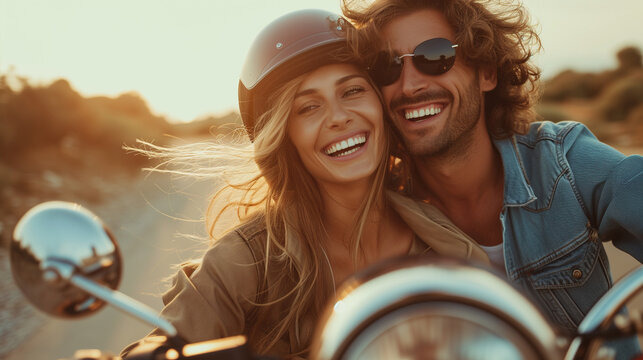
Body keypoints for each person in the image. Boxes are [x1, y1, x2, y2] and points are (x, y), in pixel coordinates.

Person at [122, 9, 488, 359]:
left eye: (352, 91)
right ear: (286, 136)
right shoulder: (247, 261)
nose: (339, 118)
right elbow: (159, 346)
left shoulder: (445, 246)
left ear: (380, 104)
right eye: (308, 108)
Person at [341, 0, 643, 357]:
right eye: (386, 67)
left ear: (486, 72)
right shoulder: (380, 219)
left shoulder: (561, 161)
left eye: (435, 57)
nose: (409, 85)